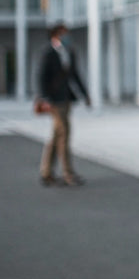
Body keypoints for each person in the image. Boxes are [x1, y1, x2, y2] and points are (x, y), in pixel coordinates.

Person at [35, 22, 90, 187]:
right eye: (63, 33)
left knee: (56, 135)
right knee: (64, 134)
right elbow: (41, 77)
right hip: (54, 101)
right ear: (56, 35)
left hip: (66, 99)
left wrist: (85, 94)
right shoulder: (48, 53)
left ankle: (46, 172)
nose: (67, 37)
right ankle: (68, 174)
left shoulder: (70, 52)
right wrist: (44, 98)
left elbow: (75, 76)